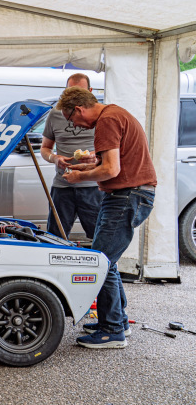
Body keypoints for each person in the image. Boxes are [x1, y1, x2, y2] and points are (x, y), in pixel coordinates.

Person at [58, 87, 157, 349]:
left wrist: (79, 177)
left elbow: (112, 170)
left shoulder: (107, 121)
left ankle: (112, 331)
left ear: (78, 109)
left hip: (127, 195)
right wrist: (83, 167)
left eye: (72, 120)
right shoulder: (116, 114)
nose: (75, 126)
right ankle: (118, 321)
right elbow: (112, 165)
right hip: (130, 194)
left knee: (100, 263)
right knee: (107, 261)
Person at [40, 74, 103, 239]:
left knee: (99, 236)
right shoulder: (55, 115)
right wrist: (54, 158)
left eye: (79, 93)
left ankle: (105, 265)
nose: (75, 99)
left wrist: (95, 157)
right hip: (63, 186)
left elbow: (113, 151)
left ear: (90, 92)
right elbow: (45, 148)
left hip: (92, 186)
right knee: (54, 237)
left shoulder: (100, 115)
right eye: (70, 92)